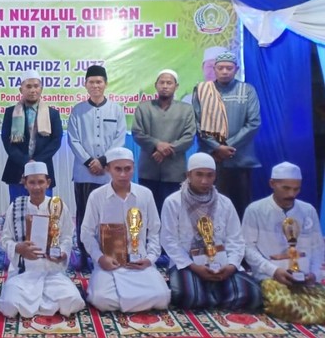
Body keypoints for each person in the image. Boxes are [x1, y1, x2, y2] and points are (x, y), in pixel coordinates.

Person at [161, 152, 262, 310]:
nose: (204, 181)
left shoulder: (225, 203)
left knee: (253, 295)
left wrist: (231, 266)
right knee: (187, 297)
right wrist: (195, 267)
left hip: (222, 264)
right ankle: (213, 292)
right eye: (199, 175)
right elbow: (168, 240)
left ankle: (212, 292)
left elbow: (235, 239)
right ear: (188, 175)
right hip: (189, 264)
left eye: (210, 175)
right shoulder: (173, 202)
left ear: (215, 176)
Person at [81, 147, 170, 312]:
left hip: (139, 263)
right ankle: (137, 301)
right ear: (108, 169)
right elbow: (86, 233)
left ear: (133, 168)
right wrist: (100, 258)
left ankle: (129, 301)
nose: (123, 174)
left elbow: (155, 230)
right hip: (109, 264)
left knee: (162, 298)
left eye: (127, 169)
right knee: (102, 300)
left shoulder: (145, 194)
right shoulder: (97, 196)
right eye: (118, 169)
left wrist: (150, 258)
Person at [0, 162, 84, 318]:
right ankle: (43, 303)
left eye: (41, 182)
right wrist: (18, 248)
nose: (37, 187)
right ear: (25, 184)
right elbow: (5, 239)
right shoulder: (16, 206)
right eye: (32, 182)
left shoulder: (58, 205)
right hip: (24, 273)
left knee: (74, 301)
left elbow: (67, 237)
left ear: (48, 183)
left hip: (51, 271)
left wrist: (62, 253)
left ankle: (42, 301)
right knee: (9, 306)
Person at [242, 162, 325, 324]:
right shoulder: (256, 210)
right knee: (284, 305)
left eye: (296, 189)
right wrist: (274, 271)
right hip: (270, 276)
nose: (291, 194)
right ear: (272, 184)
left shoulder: (308, 210)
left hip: (304, 277)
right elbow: (247, 248)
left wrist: (314, 273)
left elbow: (317, 247)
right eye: (286, 188)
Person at [67, 64, 125, 271]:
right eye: (91, 82)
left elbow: (119, 139)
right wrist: (89, 162)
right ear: (85, 85)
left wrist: (103, 161)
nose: (95, 85)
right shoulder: (78, 110)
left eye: (99, 81)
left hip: (107, 174)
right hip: (83, 174)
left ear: (106, 84)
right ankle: (83, 254)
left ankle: (108, 251)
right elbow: (73, 140)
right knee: (84, 214)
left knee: (108, 214)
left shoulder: (116, 110)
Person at [192, 51, 261, 219]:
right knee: (207, 208)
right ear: (214, 69)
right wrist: (216, 147)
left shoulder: (247, 90)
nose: (224, 71)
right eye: (220, 68)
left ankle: (238, 244)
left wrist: (226, 146)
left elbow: (253, 122)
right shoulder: (202, 91)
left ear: (236, 69)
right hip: (211, 159)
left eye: (229, 68)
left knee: (239, 208)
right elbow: (197, 123)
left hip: (239, 159)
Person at [132, 69, 195, 214]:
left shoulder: (186, 109)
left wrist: (164, 150)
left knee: (174, 213)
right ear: (156, 85)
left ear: (176, 86)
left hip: (175, 171)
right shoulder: (144, 108)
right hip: (149, 170)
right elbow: (137, 133)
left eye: (169, 83)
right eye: (162, 82)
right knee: (148, 214)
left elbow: (189, 137)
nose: (165, 86)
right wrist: (157, 145)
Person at [1, 70, 63, 202]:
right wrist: (26, 162)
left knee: (44, 213)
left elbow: (56, 141)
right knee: (17, 212)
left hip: (44, 170)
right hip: (17, 170)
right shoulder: (10, 112)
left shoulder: (52, 114)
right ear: (20, 89)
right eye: (28, 86)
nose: (33, 90)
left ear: (41, 89)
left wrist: (36, 162)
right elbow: (7, 142)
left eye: (36, 86)